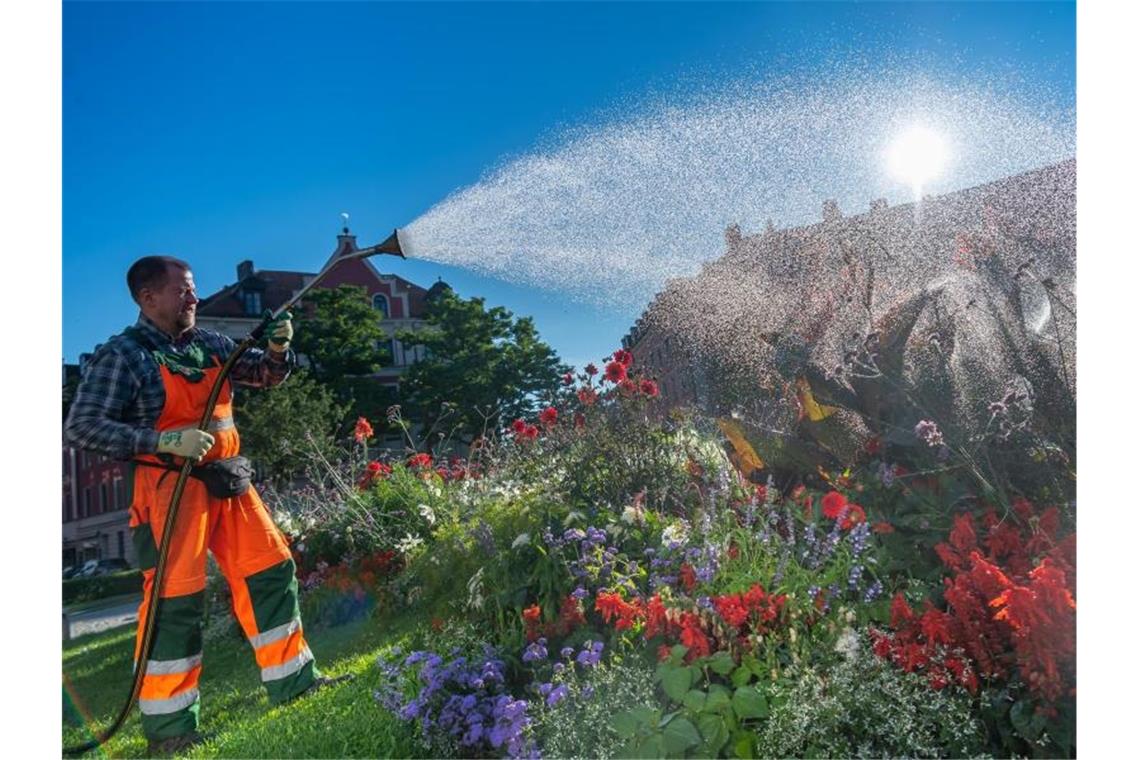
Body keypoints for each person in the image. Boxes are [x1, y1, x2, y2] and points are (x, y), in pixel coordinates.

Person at [65, 255, 351, 755]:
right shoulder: (123, 355)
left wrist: (280, 347)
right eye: (183, 291)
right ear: (148, 298)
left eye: (193, 289)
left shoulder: (210, 344)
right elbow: (82, 426)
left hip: (227, 482)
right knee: (174, 603)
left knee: (271, 570)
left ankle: (295, 682)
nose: (193, 298)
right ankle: (171, 730)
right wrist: (161, 438)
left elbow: (264, 375)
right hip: (167, 492)